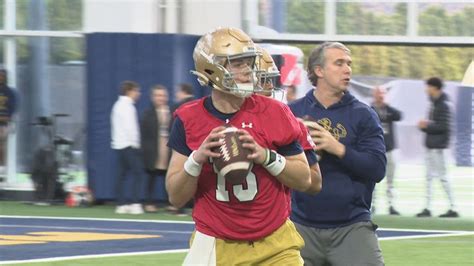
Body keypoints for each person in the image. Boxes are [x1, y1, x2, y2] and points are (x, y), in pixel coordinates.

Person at [166, 27, 319, 265]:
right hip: (215, 242)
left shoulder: (275, 112)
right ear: (211, 68)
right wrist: (196, 159)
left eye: (249, 62)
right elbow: (175, 197)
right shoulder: (188, 118)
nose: (247, 70)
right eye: (238, 64)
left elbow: (304, 180)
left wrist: (266, 157)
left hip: (276, 243)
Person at [288, 42, 386, 266]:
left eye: (349, 64)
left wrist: (337, 148)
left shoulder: (364, 115)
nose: (347, 69)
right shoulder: (292, 113)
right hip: (300, 225)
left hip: (351, 226)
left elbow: (377, 169)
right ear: (319, 71)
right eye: (339, 63)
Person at [416, 77, 459, 218]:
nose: (426, 89)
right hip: (431, 145)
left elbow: (443, 126)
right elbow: (435, 124)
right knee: (429, 177)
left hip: (438, 147)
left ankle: (453, 207)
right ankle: (428, 207)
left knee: (443, 177)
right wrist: (425, 126)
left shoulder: (444, 104)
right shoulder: (434, 103)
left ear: (435, 87)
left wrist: (426, 125)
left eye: (428, 86)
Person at [110, 80, 144, 215]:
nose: (138, 94)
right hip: (129, 145)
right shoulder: (127, 106)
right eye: (136, 91)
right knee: (138, 173)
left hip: (119, 145)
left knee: (122, 175)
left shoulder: (117, 105)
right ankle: (135, 203)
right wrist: (136, 145)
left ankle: (121, 204)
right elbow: (131, 128)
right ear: (130, 91)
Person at [371, 86, 402, 215]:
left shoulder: (389, 110)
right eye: (379, 93)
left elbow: (399, 116)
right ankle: (372, 205)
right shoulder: (370, 110)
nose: (381, 95)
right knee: (372, 180)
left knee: (390, 180)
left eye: (383, 93)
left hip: (389, 149)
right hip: (375, 150)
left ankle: (391, 205)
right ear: (374, 95)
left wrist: (387, 106)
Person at [140, 85, 171, 213]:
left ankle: (172, 204)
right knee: (151, 179)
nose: (161, 98)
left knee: (169, 179)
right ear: (153, 97)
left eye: (163, 95)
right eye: (158, 95)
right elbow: (144, 135)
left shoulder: (172, 112)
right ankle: (149, 203)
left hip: (167, 150)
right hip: (153, 151)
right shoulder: (147, 114)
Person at [0, 69, 18, 177]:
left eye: (2, 76)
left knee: (2, 144)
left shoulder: (10, 92)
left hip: (4, 123)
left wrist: (6, 118)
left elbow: (12, 109)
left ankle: (2, 168)